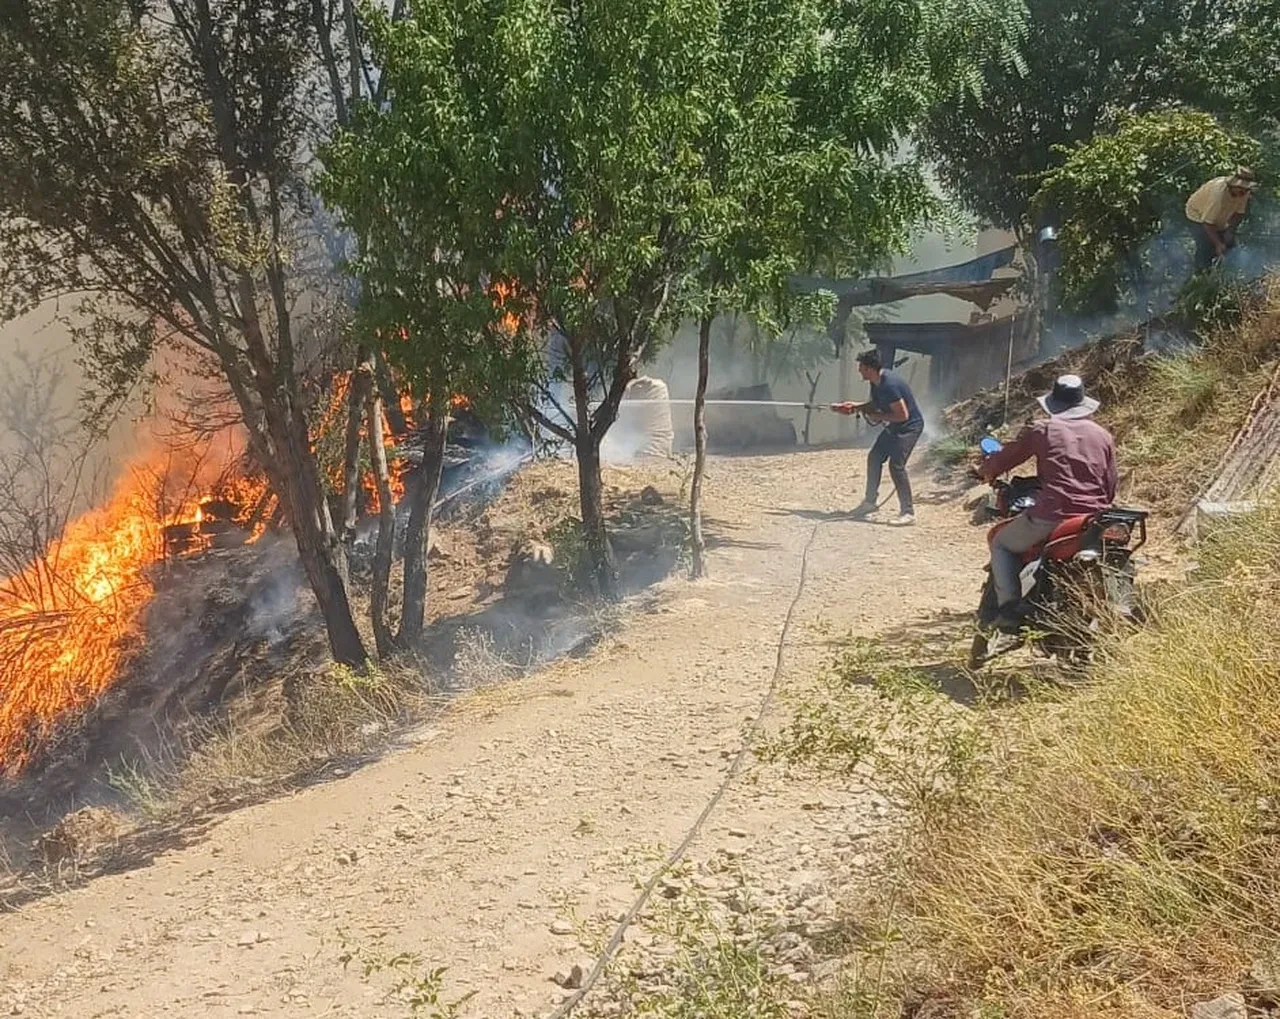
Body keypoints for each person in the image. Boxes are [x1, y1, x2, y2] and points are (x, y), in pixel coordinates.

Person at [977, 374, 1117, 630]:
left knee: (1001, 543)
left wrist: (987, 469)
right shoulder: (1103, 435)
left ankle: (1009, 610)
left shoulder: (1043, 429)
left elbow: (1006, 458)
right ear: (1082, 402)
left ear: (1054, 402)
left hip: (1053, 514)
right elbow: (1110, 484)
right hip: (1095, 519)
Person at [831, 349, 925, 527]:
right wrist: (854, 406)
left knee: (896, 466)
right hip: (896, 425)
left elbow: (903, 415)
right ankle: (870, 503)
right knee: (874, 457)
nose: (859, 370)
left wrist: (879, 417)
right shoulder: (877, 382)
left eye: (861, 367)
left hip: (909, 427)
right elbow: (876, 404)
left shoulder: (890, 384)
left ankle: (908, 512)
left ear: (869, 368)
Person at [1186, 166, 1260, 271]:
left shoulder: (1244, 193)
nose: (1244, 191)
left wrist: (1230, 231)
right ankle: (1201, 275)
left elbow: (1238, 213)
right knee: (1206, 246)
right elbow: (1207, 223)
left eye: (1246, 188)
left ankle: (1231, 275)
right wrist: (1218, 244)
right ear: (1233, 185)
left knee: (1231, 246)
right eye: (1241, 188)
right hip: (1197, 215)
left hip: (1218, 218)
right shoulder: (1218, 196)